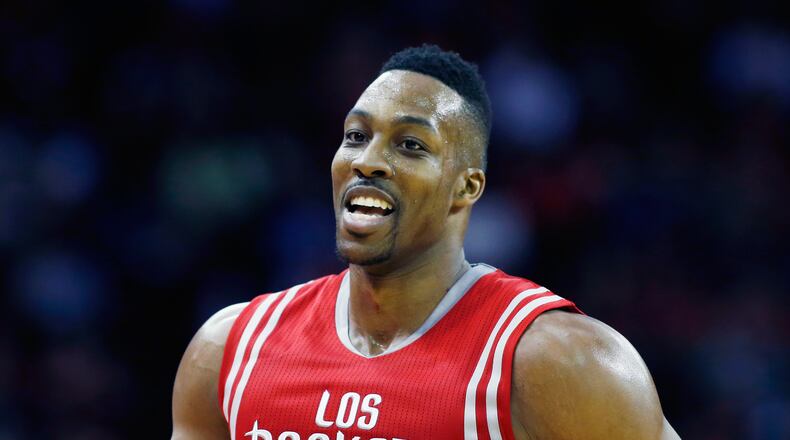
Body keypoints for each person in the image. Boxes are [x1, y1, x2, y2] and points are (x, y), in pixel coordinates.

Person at [171, 44, 680, 440]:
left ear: (466, 187)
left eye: (410, 145)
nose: (367, 160)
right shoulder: (231, 350)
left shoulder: (560, 362)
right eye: (355, 135)